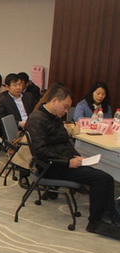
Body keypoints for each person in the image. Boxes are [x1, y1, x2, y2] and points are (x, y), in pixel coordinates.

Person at [24, 83, 120, 239]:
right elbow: (41, 151)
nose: (66, 111)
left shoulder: (54, 117)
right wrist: (68, 162)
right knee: (102, 179)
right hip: (50, 167)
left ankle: (108, 218)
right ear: (55, 100)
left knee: (105, 178)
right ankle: (96, 223)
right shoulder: (37, 119)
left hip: (61, 162)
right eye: (65, 107)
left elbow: (65, 142)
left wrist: (75, 156)